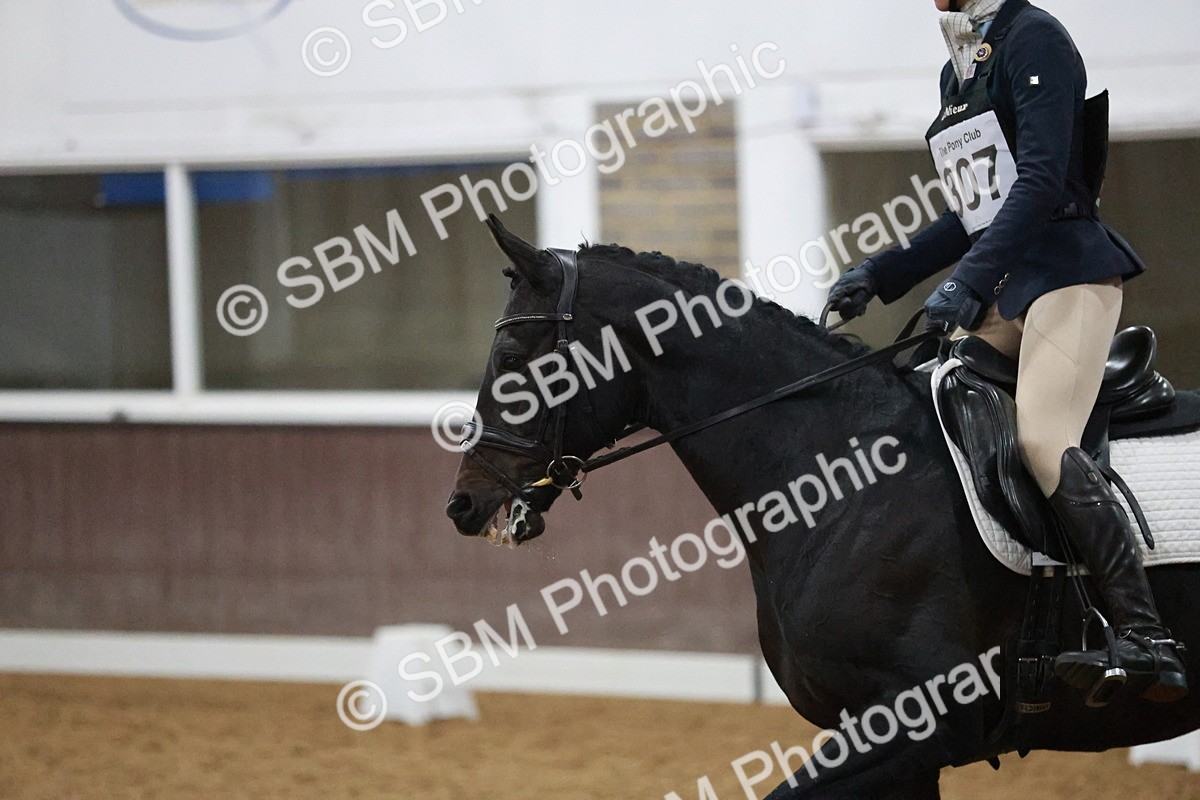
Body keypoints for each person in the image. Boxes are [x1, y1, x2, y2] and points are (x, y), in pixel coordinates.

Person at [827, 0, 1187, 703]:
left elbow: (1041, 180)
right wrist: (883, 273)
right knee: (935, 410)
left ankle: (1147, 638)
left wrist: (965, 283)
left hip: (1068, 273)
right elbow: (975, 211)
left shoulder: (1037, 39)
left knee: (1043, 440)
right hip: (1009, 285)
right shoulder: (958, 67)